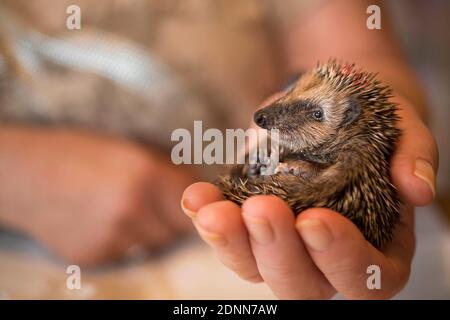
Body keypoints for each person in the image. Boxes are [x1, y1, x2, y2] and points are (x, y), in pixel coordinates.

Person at [0, 0, 438, 299]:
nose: (273, 116)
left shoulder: (343, 140)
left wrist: (386, 92)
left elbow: (348, 49)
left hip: (235, 265)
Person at [180, 0, 438, 299]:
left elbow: (364, 53)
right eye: (291, 93)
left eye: (314, 113)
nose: (267, 116)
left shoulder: (354, 156)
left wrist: (396, 93)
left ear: (350, 119)